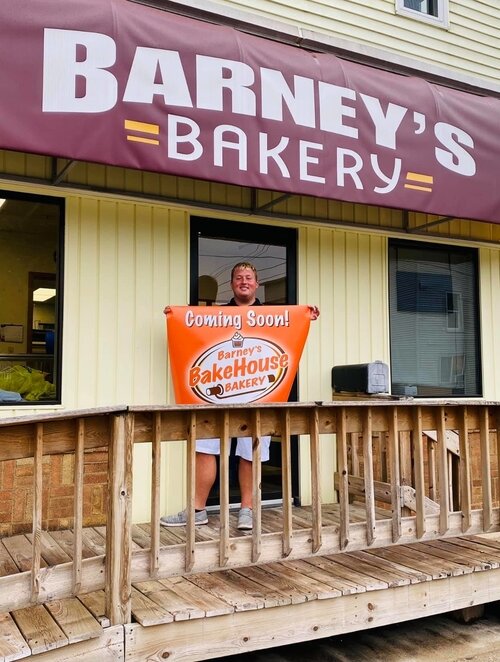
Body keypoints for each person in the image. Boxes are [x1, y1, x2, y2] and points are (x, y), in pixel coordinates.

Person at [161, 261, 320, 531]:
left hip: (259, 396)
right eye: (238, 278)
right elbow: (194, 329)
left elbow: (292, 329)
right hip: (217, 398)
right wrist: (176, 316)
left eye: (248, 278)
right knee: (205, 448)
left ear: (256, 284)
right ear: (232, 284)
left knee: (251, 453)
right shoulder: (217, 317)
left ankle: (247, 509)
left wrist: (308, 315)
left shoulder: (274, 316)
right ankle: (198, 510)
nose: (243, 281)